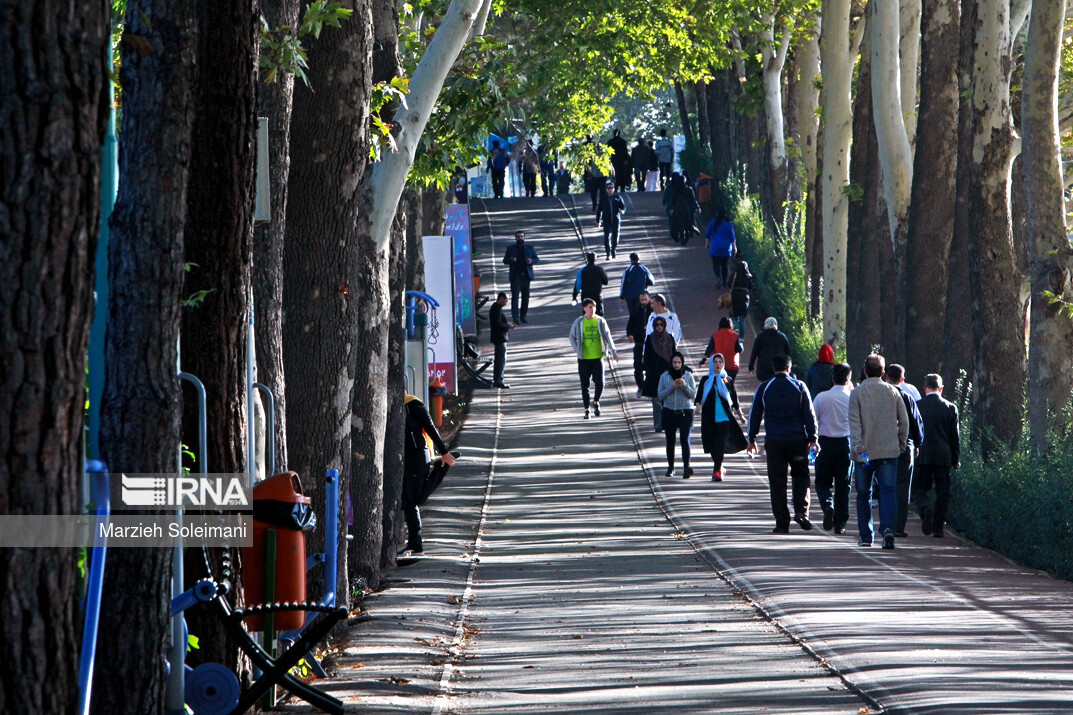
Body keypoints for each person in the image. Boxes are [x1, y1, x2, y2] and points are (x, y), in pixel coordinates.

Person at [746, 354, 818, 533]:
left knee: (777, 481)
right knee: (801, 475)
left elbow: (755, 415)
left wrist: (752, 439)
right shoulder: (800, 386)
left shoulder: (764, 387)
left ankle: (781, 522)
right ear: (789, 368)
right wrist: (813, 438)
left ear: (773, 369)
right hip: (797, 441)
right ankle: (801, 511)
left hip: (774, 441)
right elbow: (809, 414)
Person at [849, 354, 910, 550]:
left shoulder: (857, 393)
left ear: (865, 371)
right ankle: (888, 530)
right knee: (888, 491)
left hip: (865, 454)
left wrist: (859, 448)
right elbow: (905, 422)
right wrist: (900, 444)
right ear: (884, 372)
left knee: (863, 493)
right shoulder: (893, 392)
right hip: (888, 452)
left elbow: (854, 424)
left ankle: (866, 536)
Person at [402, 395, 457, 553]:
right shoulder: (391, 404)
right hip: (404, 458)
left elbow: (430, 427)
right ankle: (415, 544)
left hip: (417, 456)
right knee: (407, 502)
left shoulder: (412, 404)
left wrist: (444, 451)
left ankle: (442, 467)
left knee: (417, 498)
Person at [912, 373, 960, 538]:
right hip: (943, 456)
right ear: (941, 388)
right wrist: (955, 458)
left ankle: (925, 509)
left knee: (918, 489)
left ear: (925, 388)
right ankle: (938, 528)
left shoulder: (917, 405)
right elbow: (955, 436)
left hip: (922, 455)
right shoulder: (950, 407)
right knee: (943, 492)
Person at [813, 363, 854, 534]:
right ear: (848, 378)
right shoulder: (852, 397)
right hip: (845, 444)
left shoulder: (821, 397)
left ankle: (827, 504)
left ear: (832, 378)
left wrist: (811, 442)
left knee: (822, 482)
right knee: (843, 485)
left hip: (825, 444)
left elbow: (813, 420)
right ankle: (840, 523)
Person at [885, 363, 924, 538]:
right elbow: (917, 423)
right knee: (902, 487)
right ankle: (899, 526)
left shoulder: (881, 397)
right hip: (905, 445)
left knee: (886, 485)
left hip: (883, 445)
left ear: (886, 376)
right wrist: (917, 443)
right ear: (902, 379)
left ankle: (885, 523)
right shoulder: (907, 397)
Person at [695, 353, 747, 481]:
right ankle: (719, 467)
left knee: (719, 444)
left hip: (724, 418)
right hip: (709, 417)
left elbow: (734, 399)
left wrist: (741, 416)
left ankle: (716, 471)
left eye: (720, 362)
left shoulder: (727, 380)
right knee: (712, 445)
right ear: (711, 364)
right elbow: (699, 396)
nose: (718, 364)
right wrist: (697, 406)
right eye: (715, 362)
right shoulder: (705, 380)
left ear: (723, 364)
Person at [568, 298, 618, 419]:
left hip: (597, 357)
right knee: (585, 385)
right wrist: (577, 350)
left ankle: (596, 401)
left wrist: (613, 351)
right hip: (584, 359)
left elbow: (608, 336)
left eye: (594, 307)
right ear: (584, 309)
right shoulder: (579, 322)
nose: (592, 309)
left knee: (600, 383)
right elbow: (571, 336)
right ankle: (587, 410)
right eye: (590, 307)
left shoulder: (600, 321)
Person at [659, 351, 697, 478]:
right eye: (674, 362)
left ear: (682, 363)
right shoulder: (665, 376)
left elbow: (693, 395)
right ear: (671, 362)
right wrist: (672, 386)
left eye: (679, 363)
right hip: (669, 411)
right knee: (670, 441)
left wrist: (684, 386)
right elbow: (660, 395)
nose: (676, 365)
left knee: (684, 439)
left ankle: (686, 467)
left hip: (685, 411)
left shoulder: (688, 376)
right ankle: (671, 467)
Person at [642, 316, 676, 431]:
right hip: (654, 375)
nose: (659, 327)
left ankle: (668, 424)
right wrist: (649, 371)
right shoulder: (650, 339)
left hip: (668, 374)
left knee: (668, 401)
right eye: (657, 325)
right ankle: (658, 425)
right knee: (656, 402)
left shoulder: (670, 338)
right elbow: (646, 357)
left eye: (661, 324)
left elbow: (674, 356)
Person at [502, 230, 540, 324]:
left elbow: (536, 259)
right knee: (515, 297)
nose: (520, 238)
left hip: (526, 277)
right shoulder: (511, 248)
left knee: (525, 297)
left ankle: (523, 316)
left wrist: (531, 261)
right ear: (515, 238)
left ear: (524, 238)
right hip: (515, 277)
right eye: (518, 237)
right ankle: (515, 317)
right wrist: (511, 259)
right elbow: (505, 260)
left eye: (521, 236)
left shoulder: (529, 248)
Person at [625, 290, 653, 398]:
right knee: (637, 366)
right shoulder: (636, 311)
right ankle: (640, 386)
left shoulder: (653, 311)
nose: (644, 302)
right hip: (639, 343)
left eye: (645, 299)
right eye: (642, 300)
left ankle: (649, 385)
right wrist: (630, 334)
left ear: (649, 299)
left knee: (650, 365)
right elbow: (630, 325)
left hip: (651, 344)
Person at [749, 317, 791, 384]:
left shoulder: (760, 337)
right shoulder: (782, 336)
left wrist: (751, 366)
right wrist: (788, 367)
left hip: (764, 367)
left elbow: (754, 352)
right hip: (779, 366)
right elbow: (788, 353)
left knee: (765, 386)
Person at [488, 291, 515, 389]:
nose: (506, 302)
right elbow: (497, 324)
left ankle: (498, 379)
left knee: (501, 358)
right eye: (505, 300)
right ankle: (498, 380)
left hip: (499, 337)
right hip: (499, 338)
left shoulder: (497, 308)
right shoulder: (496, 309)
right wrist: (508, 326)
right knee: (501, 359)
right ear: (500, 298)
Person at [703, 316, 743, 383]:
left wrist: (703, 360)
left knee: (718, 385)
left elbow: (709, 348)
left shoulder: (715, 335)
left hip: (719, 366)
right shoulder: (735, 335)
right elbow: (739, 349)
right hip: (732, 366)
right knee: (730, 386)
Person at [663, 172, 699, 244]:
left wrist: (670, 207)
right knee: (689, 220)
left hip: (678, 209)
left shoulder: (675, 189)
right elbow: (693, 199)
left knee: (673, 222)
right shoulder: (689, 189)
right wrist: (697, 207)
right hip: (686, 209)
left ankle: (677, 233)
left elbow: (672, 199)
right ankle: (692, 227)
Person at [705, 209, 736, 287]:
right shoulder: (729, 223)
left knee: (716, 264)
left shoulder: (713, 222)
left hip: (715, 247)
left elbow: (707, 234)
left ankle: (718, 278)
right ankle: (724, 282)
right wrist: (734, 247)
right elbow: (732, 237)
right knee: (724, 265)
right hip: (726, 248)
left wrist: (707, 244)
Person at [596, 180, 627, 259]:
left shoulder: (618, 197)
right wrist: (598, 220)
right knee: (606, 237)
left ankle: (613, 249)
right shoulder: (603, 198)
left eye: (612, 188)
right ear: (606, 189)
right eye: (608, 188)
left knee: (615, 236)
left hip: (616, 220)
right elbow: (599, 210)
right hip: (606, 220)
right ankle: (608, 253)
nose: (610, 189)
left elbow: (623, 206)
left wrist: (622, 211)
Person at [729, 261, 753, 336]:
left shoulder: (734, 274)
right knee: (743, 316)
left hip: (734, 295)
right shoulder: (748, 276)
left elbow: (729, 284)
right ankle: (741, 336)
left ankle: (735, 328)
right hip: (744, 296)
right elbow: (750, 286)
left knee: (734, 314)